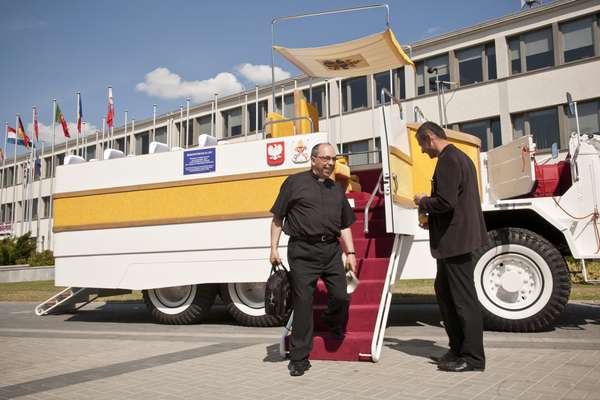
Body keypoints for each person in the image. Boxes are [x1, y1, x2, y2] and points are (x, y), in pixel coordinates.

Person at [270, 142, 357, 377]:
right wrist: (273, 249)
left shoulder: (337, 188)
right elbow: (278, 218)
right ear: (313, 159)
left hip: (330, 249)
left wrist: (351, 253)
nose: (330, 163)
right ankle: (299, 357)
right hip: (302, 251)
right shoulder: (294, 183)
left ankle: (332, 321)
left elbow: (345, 225)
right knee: (303, 303)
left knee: (340, 295)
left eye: (333, 159)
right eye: (325, 158)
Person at [413, 121, 488, 372]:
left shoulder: (448, 160)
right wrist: (432, 218)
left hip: (456, 241)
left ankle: (473, 358)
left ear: (430, 138)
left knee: (463, 299)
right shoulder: (459, 158)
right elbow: (452, 202)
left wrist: (424, 202)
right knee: (444, 292)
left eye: (422, 145)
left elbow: (445, 201)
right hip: (453, 239)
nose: (423, 151)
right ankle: (457, 349)